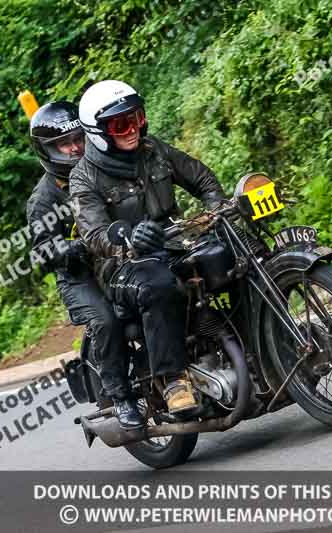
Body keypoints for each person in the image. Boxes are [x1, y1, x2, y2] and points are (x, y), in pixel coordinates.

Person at [69, 80, 224, 416]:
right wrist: (125, 241)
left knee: (228, 253)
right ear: (98, 132)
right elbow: (94, 234)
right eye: (120, 124)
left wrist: (217, 210)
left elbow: (203, 179)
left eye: (136, 118)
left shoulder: (154, 150)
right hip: (124, 269)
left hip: (175, 243)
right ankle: (173, 380)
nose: (132, 129)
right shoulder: (84, 178)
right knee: (157, 283)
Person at [25, 101, 144, 429]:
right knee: (106, 321)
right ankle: (121, 397)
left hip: (121, 258)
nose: (75, 147)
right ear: (48, 150)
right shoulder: (43, 200)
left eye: (78, 138)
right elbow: (43, 254)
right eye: (65, 143)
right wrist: (76, 248)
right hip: (80, 277)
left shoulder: (102, 167)